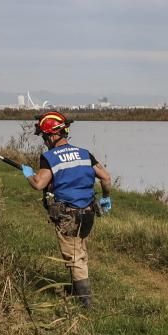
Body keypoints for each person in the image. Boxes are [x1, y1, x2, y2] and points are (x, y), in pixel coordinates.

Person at [22, 111, 113, 306]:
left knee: (74, 256)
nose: (45, 141)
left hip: (67, 215)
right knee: (79, 249)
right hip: (88, 213)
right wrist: (106, 197)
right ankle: (76, 288)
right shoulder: (84, 153)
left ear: (52, 135)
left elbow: (39, 183)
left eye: (45, 137)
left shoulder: (49, 157)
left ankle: (85, 302)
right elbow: (105, 177)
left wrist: (29, 174)